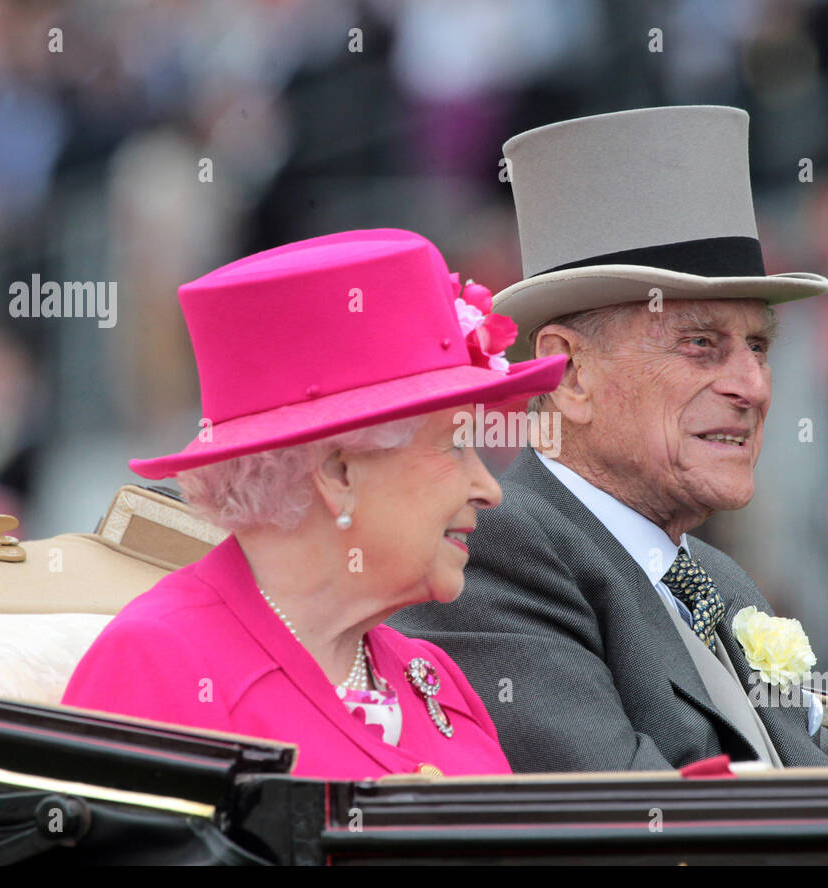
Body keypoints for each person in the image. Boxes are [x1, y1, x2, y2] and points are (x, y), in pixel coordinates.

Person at [392, 107, 828, 771]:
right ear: (571, 373)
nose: (753, 386)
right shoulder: (490, 547)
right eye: (701, 344)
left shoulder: (718, 581)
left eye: (759, 346)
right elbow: (628, 823)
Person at [62, 228, 566, 780]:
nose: (489, 488)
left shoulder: (430, 675)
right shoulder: (160, 666)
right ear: (338, 473)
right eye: (455, 444)